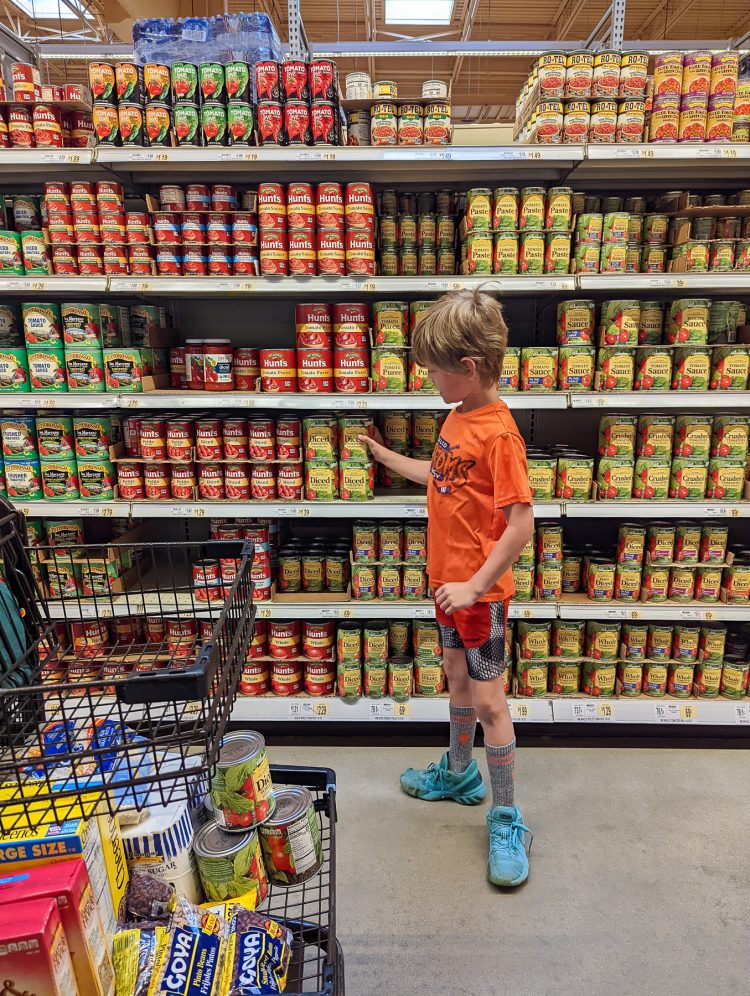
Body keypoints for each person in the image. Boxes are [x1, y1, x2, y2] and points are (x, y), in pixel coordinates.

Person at [359, 289, 535, 887]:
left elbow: (521, 526)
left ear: (469, 368)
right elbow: (437, 476)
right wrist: (386, 456)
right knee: (457, 683)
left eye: (433, 370)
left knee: (490, 703)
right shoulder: (457, 417)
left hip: (478, 598)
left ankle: (508, 815)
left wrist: (475, 586)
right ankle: (460, 773)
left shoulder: (500, 435)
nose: (428, 379)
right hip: (446, 587)